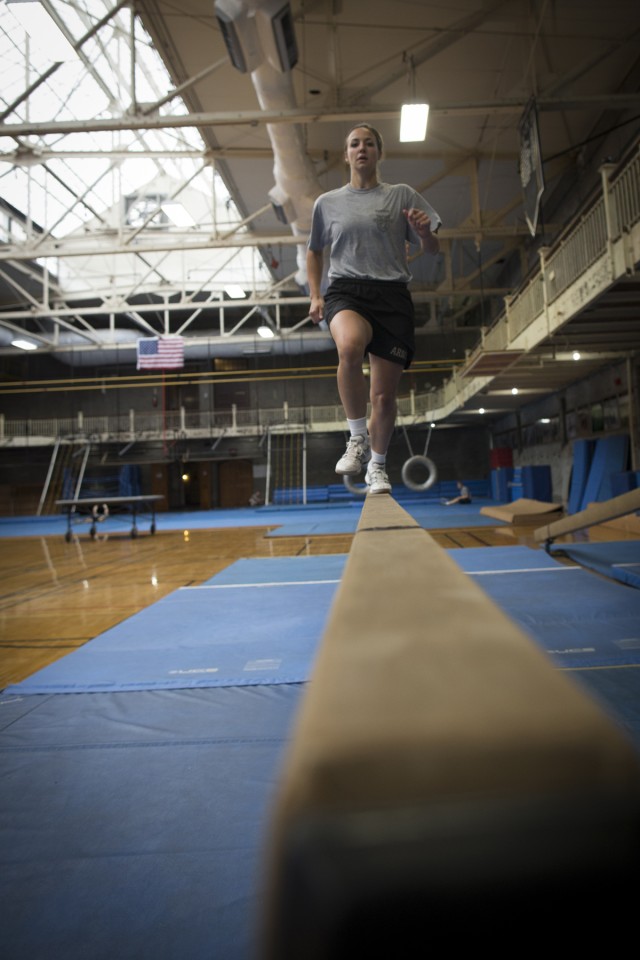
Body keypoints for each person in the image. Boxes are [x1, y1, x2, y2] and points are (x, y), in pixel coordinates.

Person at [306, 122, 441, 494]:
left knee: (383, 395)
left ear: (379, 152)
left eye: (368, 143)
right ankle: (356, 438)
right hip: (347, 290)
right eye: (354, 143)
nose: (361, 148)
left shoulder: (401, 195)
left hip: (392, 295)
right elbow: (314, 250)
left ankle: (378, 467)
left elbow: (431, 250)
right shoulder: (327, 203)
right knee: (348, 346)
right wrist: (317, 294)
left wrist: (426, 233)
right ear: (346, 154)